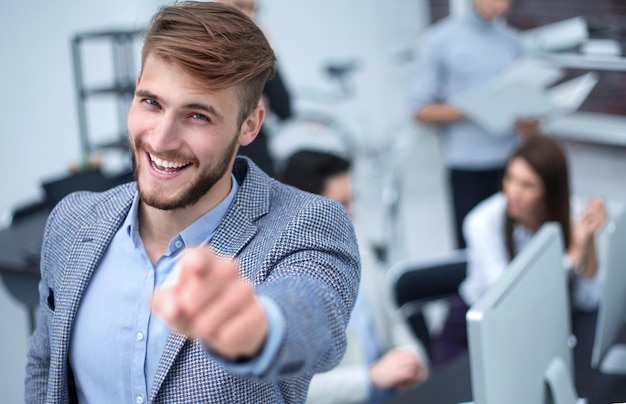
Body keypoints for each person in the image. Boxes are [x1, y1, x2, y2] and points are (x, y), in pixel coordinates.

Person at [25, 3, 360, 403]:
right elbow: (44, 368)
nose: (162, 139)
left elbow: (315, 315)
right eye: (151, 102)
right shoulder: (72, 221)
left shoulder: (306, 222)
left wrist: (256, 328)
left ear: (250, 125)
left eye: (197, 115)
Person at [431, 135, 606, 368]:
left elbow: (590, 299)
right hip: (478, 334)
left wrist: (588, 240)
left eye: (527, 185)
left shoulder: (572, 212)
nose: (513, 192)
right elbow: (509, 303)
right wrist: (572, 256)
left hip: (539, 329)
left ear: (551, 190)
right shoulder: (482, 222)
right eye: (509, 178)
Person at [280, 150, 429, 403]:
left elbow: (394, 325)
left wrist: (413, 360)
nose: (353, 213)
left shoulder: (361, 253)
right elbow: (290, 390)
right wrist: (370, 378)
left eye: (351, 201)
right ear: (305, 211)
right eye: (342, 205)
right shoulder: (281, 287)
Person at [409, 0, 539, 249]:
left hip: (512, 165)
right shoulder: (439, 40)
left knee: (516, 245)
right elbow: (419, 110)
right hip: (467, 166)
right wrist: (474, 107)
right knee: (473, 248)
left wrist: (530, 118)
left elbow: (526, 106)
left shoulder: (514, 43)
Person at [216, 0, 293, 178]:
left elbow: (284, 107)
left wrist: (265, 52)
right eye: (240, 5)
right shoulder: (192, 47)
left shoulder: (255, 53)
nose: (249, 16)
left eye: (254, 10)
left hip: (251, 155)